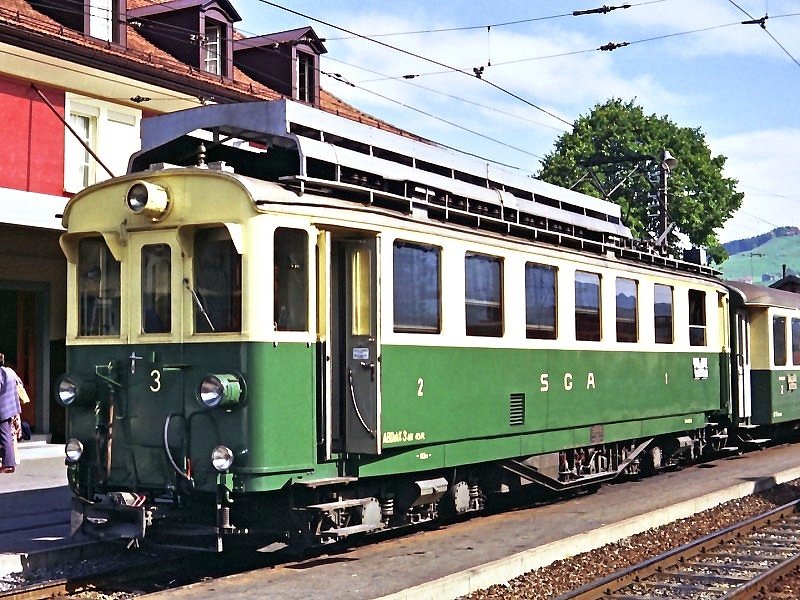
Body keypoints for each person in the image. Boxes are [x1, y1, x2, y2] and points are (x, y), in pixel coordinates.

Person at [0, 352, 22, 473]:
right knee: (7, 435)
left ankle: (8, 463)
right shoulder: (10, 371)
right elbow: (20, 384)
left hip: (2, 409)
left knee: (4, 436)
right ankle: (9, 462)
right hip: (11, 407)